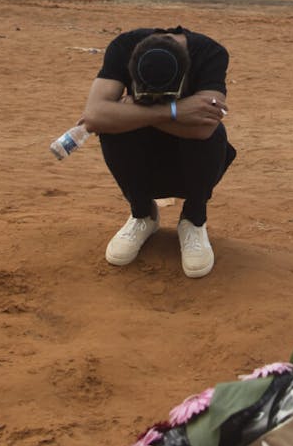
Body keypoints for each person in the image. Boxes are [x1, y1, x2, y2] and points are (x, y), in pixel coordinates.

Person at [80, 25, 236, 278]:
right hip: (143, 152)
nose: (156, 100)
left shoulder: (210, 53)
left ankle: (194, 220)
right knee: (111, 131)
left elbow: (204, 128)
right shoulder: (123, 47)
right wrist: (173, 111)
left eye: (166, 97)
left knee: (215, 134)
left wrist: (128, 111)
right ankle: (143, 215)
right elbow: (94, 115)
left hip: (190, 154)